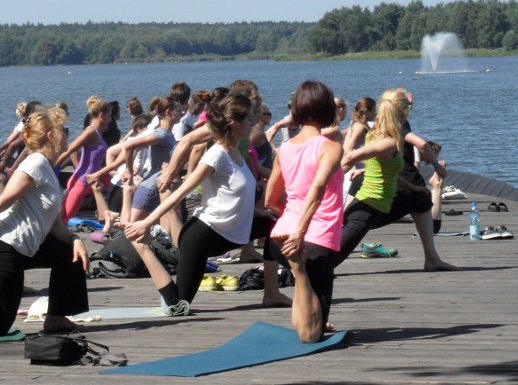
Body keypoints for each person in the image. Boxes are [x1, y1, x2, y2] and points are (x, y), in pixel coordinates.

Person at [0, 109, 90, 337]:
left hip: (25, 246)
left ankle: (56, 318)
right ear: (50, 135)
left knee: (70, 253)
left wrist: (75, 239)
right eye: (63, 130)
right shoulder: (34, 163)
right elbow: (4, 200)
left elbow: (54, 225)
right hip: (4, 243)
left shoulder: (47, 169)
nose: (67, 134)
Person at [121, 93, 258, 315]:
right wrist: (145, 223)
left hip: (227, 233)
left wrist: (262, 211)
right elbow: (182, 192)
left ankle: (273, 290)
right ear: (234, 123)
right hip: (201, 236)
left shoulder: (236, 153)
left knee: (274, 228)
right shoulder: (216, 155)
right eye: (249, 119)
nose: (253, 123)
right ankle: (142, 247)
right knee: (178, 306)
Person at [338, 88, 458, 272]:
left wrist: (413, 187)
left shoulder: (376, 130)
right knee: (323, 261)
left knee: (420, 197)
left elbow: (382, 167)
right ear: (403, 112)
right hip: (370, 205)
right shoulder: (391, 137)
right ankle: (432, 259)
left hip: (373, 200)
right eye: (408, 109)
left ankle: (432, 259)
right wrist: (324, 186)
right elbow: (348, 158)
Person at [263, 80, 345, 343]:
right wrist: (299, 232)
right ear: (326, 109)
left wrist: (289, 221)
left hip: (280, 238)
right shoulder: (330, 147)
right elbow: (318, 187)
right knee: (311, 335)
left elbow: (270, 200)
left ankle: (302, 280)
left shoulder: (284, 149)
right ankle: (299, 272)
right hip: (312, 241)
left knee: (315, 317)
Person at [56, 96, 111, 223]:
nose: (110, 119)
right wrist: (52, 168)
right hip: (80, 181)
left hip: (86, 182)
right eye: (109, 116)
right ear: (102, 115)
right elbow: (70, 150)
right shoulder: (90, 131)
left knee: (65, 218)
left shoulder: (97, 132)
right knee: (64, 219)